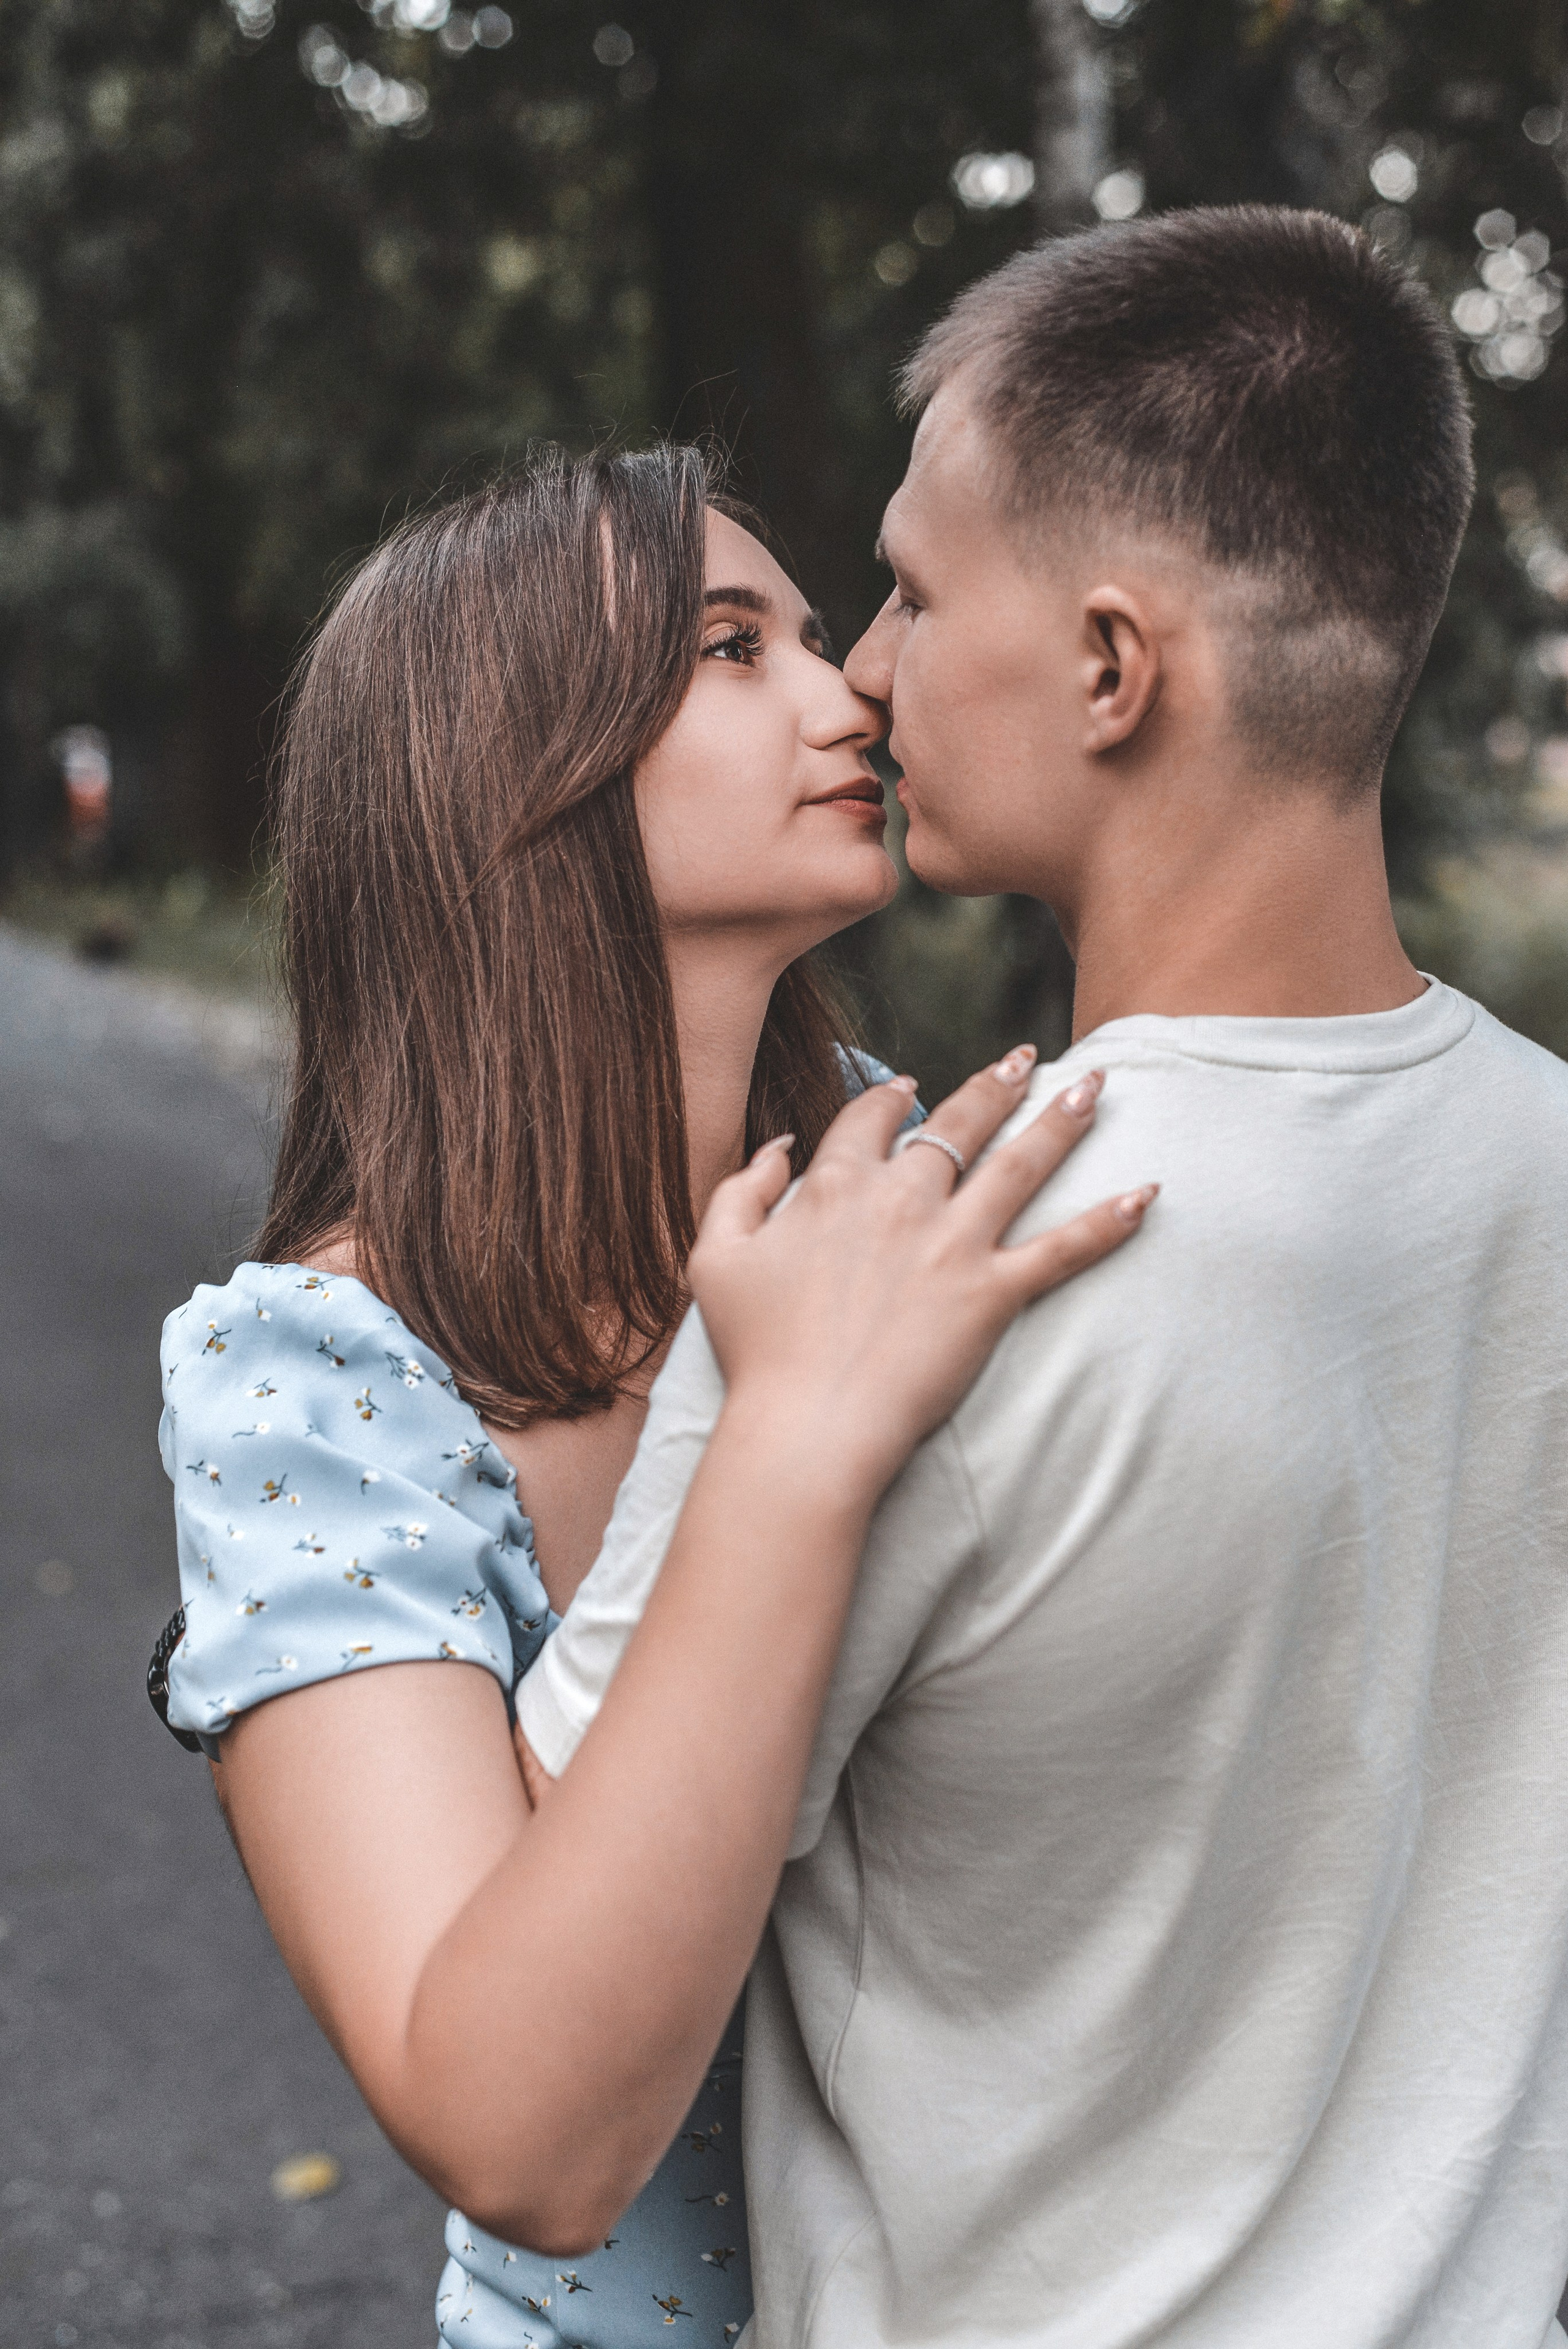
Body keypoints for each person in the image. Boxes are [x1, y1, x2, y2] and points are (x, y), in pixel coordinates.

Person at [516, 208, 1568, 2346]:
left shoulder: (912, 1264)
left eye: (907, 589)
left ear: (1112, 667)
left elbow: (546, 2052)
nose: (868, 672)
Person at [149, 446, 1152, 2348]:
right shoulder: (317, 1376)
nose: (848, 682)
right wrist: (781, 1445)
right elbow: (520, 2138)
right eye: (728, 647)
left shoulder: (907, 1171)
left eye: (810, 629)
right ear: (505, 775)